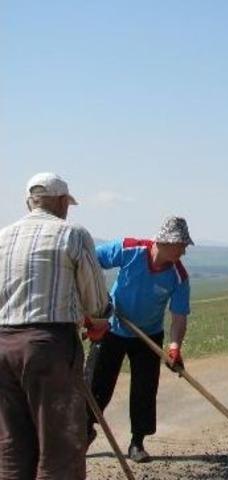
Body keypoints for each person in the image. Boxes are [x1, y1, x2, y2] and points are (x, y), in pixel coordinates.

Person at [0, 172, 112, 479]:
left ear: (30, 203)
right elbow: (96, 301)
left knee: (13, 446)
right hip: (48, 346)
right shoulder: (72, 234)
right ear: (62, 202)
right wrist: (98, 318)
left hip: (3, 346)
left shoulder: (3, 236)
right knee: (60, 449)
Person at [85, 216, 194, 463]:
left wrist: (174, 347)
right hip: (112, 328)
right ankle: (84, 431)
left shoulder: (179, 276)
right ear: (166, 242)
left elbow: (179, 316)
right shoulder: (128, 249)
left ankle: (137, 442)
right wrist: (97, 299)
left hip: (148, 335)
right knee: (96, 384)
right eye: (181, 245)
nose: (184, 251)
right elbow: (89, 262)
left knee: (145, 389)